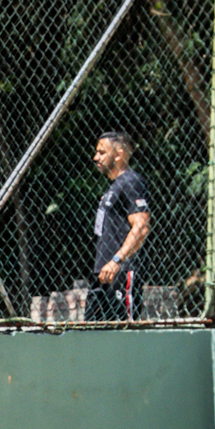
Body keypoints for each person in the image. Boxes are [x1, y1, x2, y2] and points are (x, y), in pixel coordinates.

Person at [90, 131, 150, 321]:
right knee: (90, 331)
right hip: (103, 273)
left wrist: (116, 260)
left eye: (102, 152)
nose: (96, 157)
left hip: (121, 271)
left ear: (118, 155)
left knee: (123, 331)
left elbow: (141, 227)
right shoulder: (114, 187)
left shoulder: (131, 182)